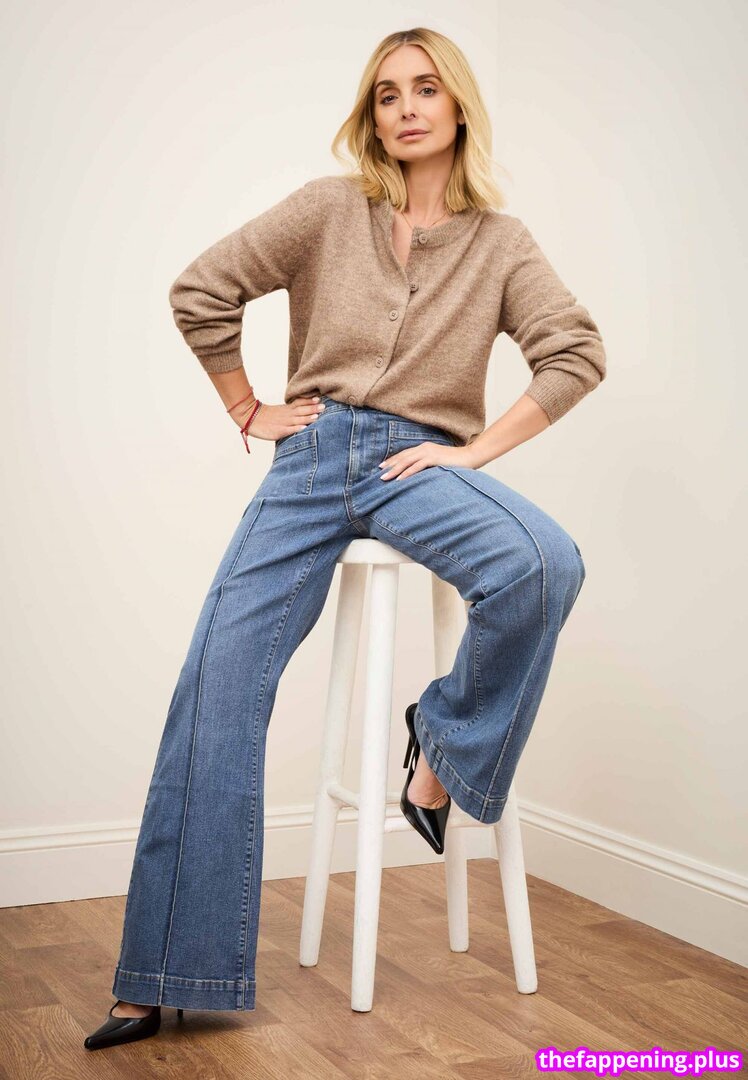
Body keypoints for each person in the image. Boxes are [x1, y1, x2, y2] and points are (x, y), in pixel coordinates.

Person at [83, 25, 606, 1050]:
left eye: (425, 89)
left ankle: (440, 747)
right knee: (216, 682)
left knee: (544, 563)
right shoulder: (330, 210)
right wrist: (248, 407)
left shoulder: (501, 245)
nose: (406, 108)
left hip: (418, 462)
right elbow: (201, 290)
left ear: (458, 104)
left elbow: (574, 352)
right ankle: (167, 972)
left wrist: (472, 453)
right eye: (386, 95)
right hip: (313, 459)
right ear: (371, 116)